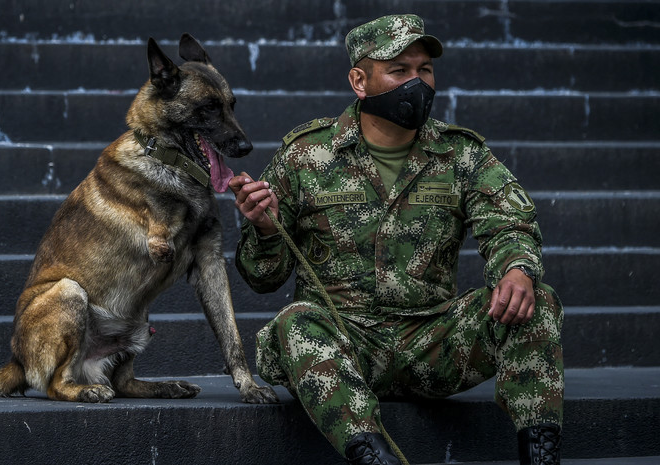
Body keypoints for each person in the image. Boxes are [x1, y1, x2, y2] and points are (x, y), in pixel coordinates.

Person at [228, 14, 563, 465]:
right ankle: (373, 455)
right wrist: (265, 229)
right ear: (359, 81)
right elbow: (262, 278)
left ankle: (540, 453)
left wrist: (516, 269)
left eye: (424, 70)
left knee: (535, 299)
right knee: (295, 323)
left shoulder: (460, 153)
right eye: (400, 71)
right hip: (344, 344)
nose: (417, 83)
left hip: (433, 342)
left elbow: (508, 220)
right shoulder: (307, 155)